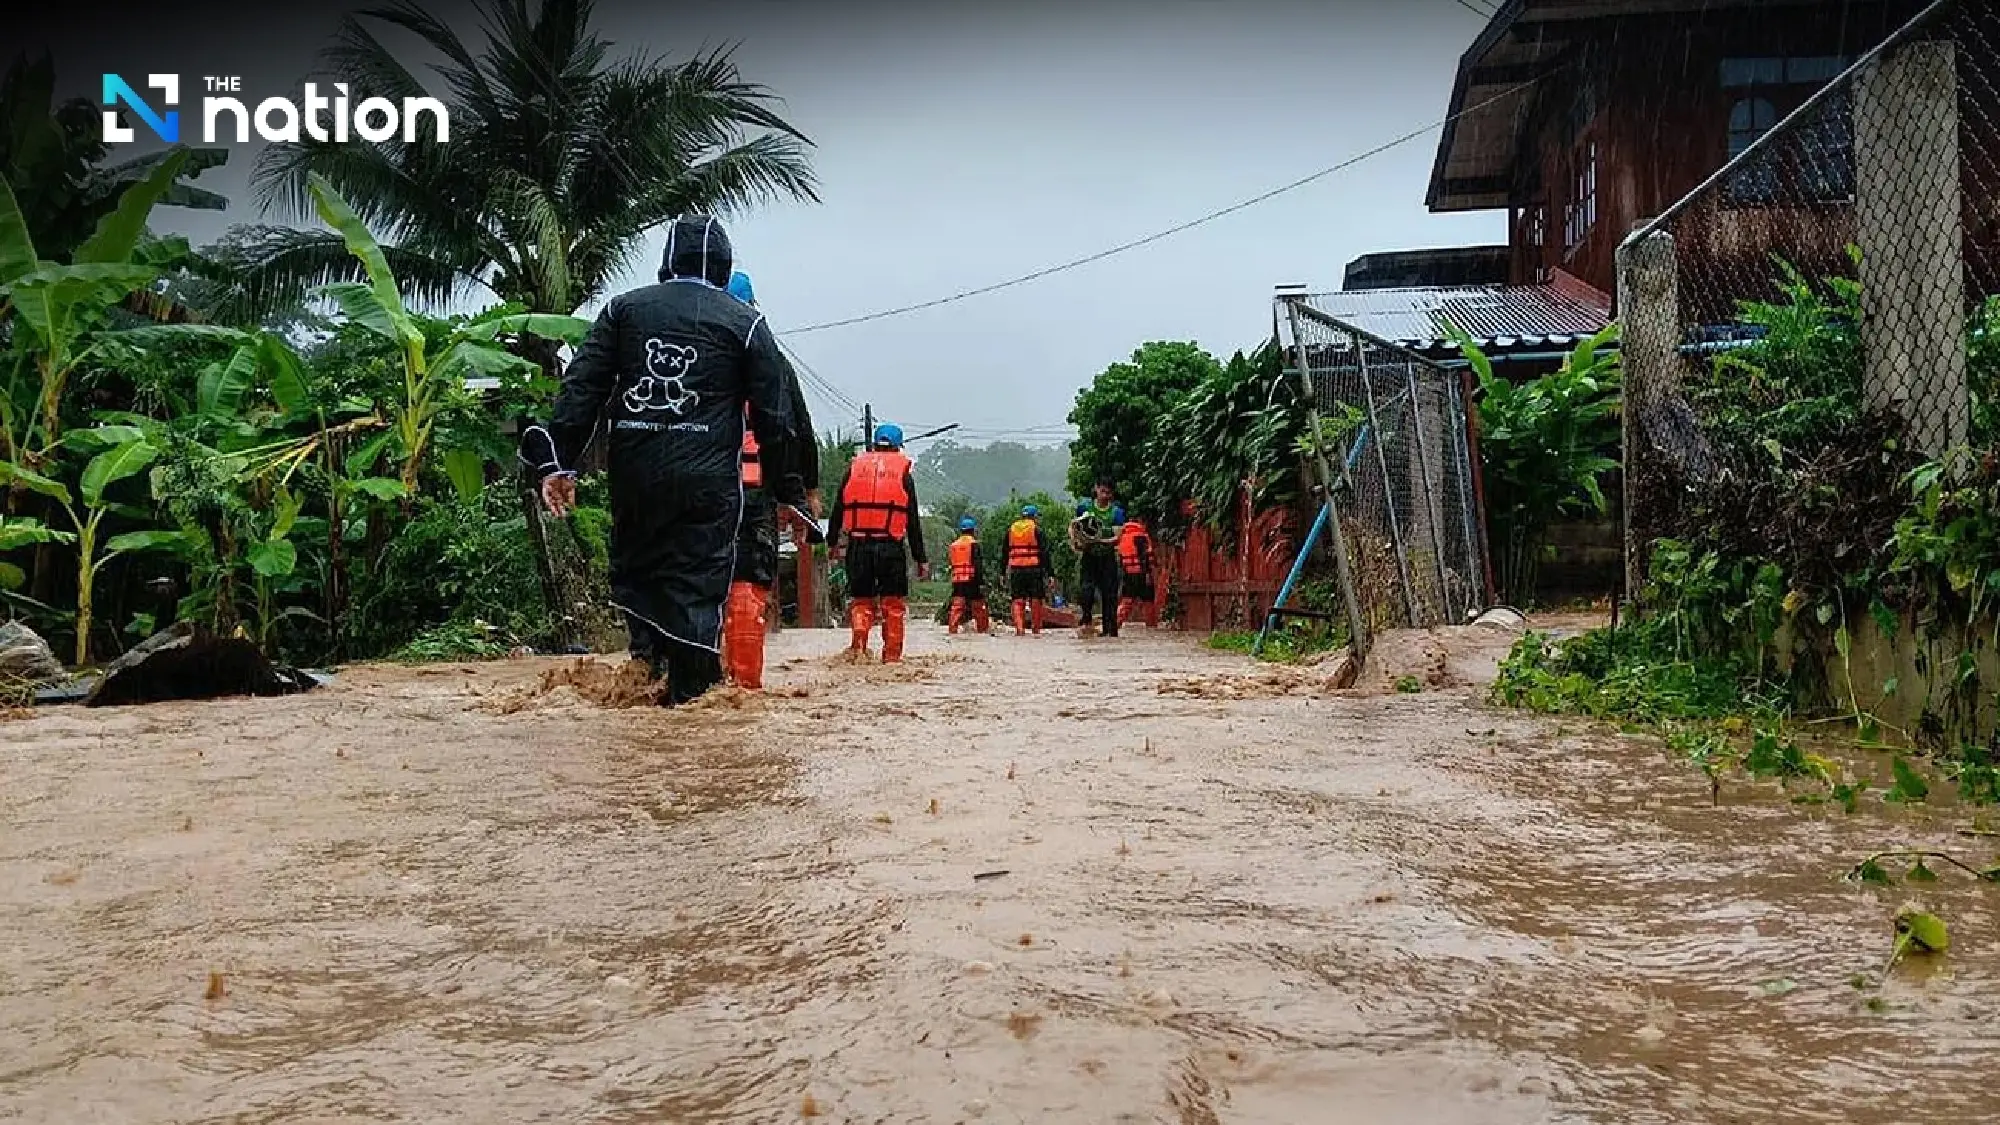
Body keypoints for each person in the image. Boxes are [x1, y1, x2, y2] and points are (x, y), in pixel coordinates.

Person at [520, 215, 799, 706]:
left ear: (668, 263)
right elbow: (776, 419)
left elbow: (582, 391)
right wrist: (790, 492)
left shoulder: (623, 311)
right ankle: (693, 713)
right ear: (725, 265)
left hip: (635, 478)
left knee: (641, 578)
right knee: (696, 588)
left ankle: (643, 699)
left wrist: (556, 465)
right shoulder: (746, 323)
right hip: (709, 485)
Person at [719, 269, 817, 690]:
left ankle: (693, 685)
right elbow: (796, 427)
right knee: (746, 584)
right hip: (752, 491)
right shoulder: (771, 358)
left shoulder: (691, 353)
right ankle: (742, 689)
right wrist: (803, 492)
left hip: (694, 489)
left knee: (694, 584)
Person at [826, 423, 928, 662]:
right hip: (890, 547)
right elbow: (912, 520)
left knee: (861, 601)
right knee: (892, 604)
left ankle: (858, 650)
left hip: (858, 546)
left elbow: (837, 510)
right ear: (897, 447)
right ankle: (891, 659)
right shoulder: (903, 474)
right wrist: (920, 558)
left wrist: (832, 543)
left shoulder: (853, 469)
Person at [1071, 478, 1126, 638]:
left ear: (1112, 494)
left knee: (1109, 595)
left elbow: (1117, 538)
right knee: (1086, 590)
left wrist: (1099, 540)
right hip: (1089, 556)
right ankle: (1086, 617)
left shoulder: (1116, 513)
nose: (1104, 495)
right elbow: (1074, 526)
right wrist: (1076, 542)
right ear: (1096, 489)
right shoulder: (1084, 507)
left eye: (1108, 493)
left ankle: (1110, 629)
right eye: (1102, 491)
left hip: (1107, 557)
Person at [1005, 504, 1054, 636]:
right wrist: (1050, 574)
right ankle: (1036, 629)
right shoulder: (1037, 530)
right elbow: (1045, 553)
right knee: (1036, 599)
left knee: (1018, 599)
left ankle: (1019, 629)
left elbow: (1005, 552)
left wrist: (1002, 572)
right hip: (1034, 568)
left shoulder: (1011, 530)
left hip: (1016, 569)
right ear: (1034, 517)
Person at [945, 517, 992, 634]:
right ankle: (982, 630)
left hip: (957, 580)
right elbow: (978, 565)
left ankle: (952, 631)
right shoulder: (974, 544)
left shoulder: (953, 545)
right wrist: (981, 582)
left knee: (957, 607)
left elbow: (951, 562)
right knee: (978, 607)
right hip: (972, 579)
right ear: (973, 530)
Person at [1116, 515, 1159, 628]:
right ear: (1140, 522)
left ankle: (1115, 624)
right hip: (1142, 574)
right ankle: (1152, 628)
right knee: (1148, 602)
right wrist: (1148, 574)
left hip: (1128, 574)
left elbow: (1120, 560)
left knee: (1126, 601)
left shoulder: (1123, 537)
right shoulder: (1140, 536)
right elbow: (1145, 557)